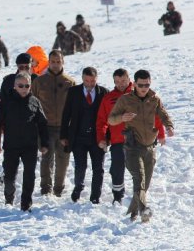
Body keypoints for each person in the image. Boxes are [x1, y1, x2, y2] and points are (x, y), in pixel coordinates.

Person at [108, 69, 174, 222]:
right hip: (133, 147)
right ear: (135, 84)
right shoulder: (125, 100)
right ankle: (144, 210)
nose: (144, 88)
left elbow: (163, 114)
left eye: (147, 84)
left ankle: (133, 213)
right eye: (141, 85)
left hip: (150, 147)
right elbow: (111, 119)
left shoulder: (154, 98)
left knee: (145, 184)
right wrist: (122, 117)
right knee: (139, 179)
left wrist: (169, 126)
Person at [96, 68, 166, 205]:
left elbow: (155, 116)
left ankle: (140, 195)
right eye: (117, 82)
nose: (120, 84)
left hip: (139, 141)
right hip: (119, 141)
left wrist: (161, 133)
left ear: (130, 80)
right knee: (116, 169)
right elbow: (102, 121)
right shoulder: (108, 98)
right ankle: (118, 196)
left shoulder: (139, 94)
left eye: (123, 81)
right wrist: (102, 138)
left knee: (142, 171)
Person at [0, 72, 49, 211]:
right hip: (12, 145)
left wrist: (44, 144)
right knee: (10, 175)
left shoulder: (34, 101)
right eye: (20, 85)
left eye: (26, 86)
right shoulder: (6, 102)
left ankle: (26, 202)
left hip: (30, 145)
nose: (24, 88)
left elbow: (43, 123)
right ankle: (9, 198)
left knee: (29, 174)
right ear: (15, 86)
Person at [60, 67, 108, 203]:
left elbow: (107, 116)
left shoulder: (103, 92)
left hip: (97, 138)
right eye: (87, 80)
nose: (90, 83)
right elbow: (66, 114)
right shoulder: (73, 92)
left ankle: (95, 196)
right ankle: (78, 187)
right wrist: (64, 135)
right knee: (80, 166)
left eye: (92, 81)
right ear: (82, 78)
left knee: (98, 168)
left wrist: (106, 138)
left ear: (96, 79)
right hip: (78, 137)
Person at [31, 50, 76, 196]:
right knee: (46, 159)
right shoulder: (39, 82)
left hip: (64, 128)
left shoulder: (70, 82)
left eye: (58, 61)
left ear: (63, 62)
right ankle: (46, 188)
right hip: (46, 127)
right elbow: (33, 105)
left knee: (63, 161)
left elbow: (75, 108)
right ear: (48, 62)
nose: (56, 65)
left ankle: (58, 189)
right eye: (53, 62)